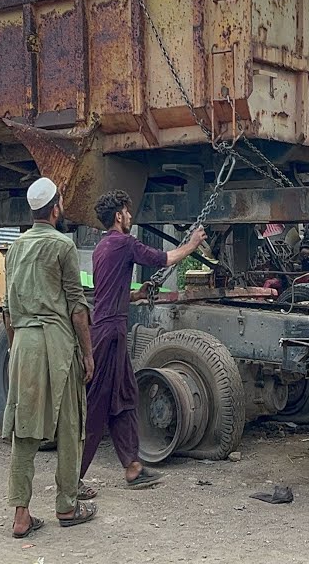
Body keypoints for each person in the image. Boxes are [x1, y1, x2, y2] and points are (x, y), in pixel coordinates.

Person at [78, 189, 206, 499]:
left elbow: (107, 292)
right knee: (97, 406)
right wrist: (192, 244)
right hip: (110, 333)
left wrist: (135, 295)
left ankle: (133, 467)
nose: (130, 216)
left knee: (124, 397)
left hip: (109, 329)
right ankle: (72, 478)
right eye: (127, 211)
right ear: (118, 216)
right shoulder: (124, 243)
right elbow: (165, 258)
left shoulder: (101, 247)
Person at [1, 177, 96, 538]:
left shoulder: (14, 249)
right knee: (69, 424)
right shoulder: (63, 245)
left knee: (24, 429)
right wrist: (87, 354)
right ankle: (67, 506)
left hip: (24, 343)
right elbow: (77, 308)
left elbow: (9, 312)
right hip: (57, 343)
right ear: (55, 209)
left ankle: (21, 515)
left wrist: (16, 351)